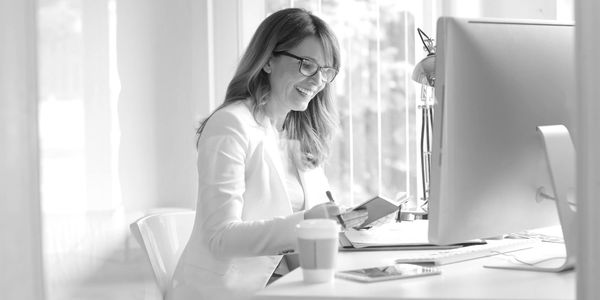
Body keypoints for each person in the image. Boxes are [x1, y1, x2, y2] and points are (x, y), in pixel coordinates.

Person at [166, 8, 366, 300]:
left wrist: (346, 220)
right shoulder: (231, 125)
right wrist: (309, 223)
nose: (317, 81)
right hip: (226, 293)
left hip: (288, 285)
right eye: (307, 65)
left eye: (326, 71)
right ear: (269, 60)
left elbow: (315, 216)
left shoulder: (299, 132)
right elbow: (219, 237)